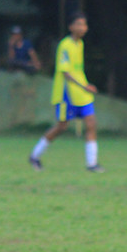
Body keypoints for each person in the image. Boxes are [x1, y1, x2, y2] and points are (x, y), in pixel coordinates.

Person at [29, 14, 104, 173]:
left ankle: (92, 164)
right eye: (78, 24)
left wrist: (85, 86)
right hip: (66, 93)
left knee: (91, 124)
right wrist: (84, 86)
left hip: (82, 93)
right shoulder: (65, 45)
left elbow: (77, 71)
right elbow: (66, 73)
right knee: (61, 127)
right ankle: (35, 155)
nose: (82, 28)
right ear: (71, 27)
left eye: (84, 25)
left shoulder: (80, 44)